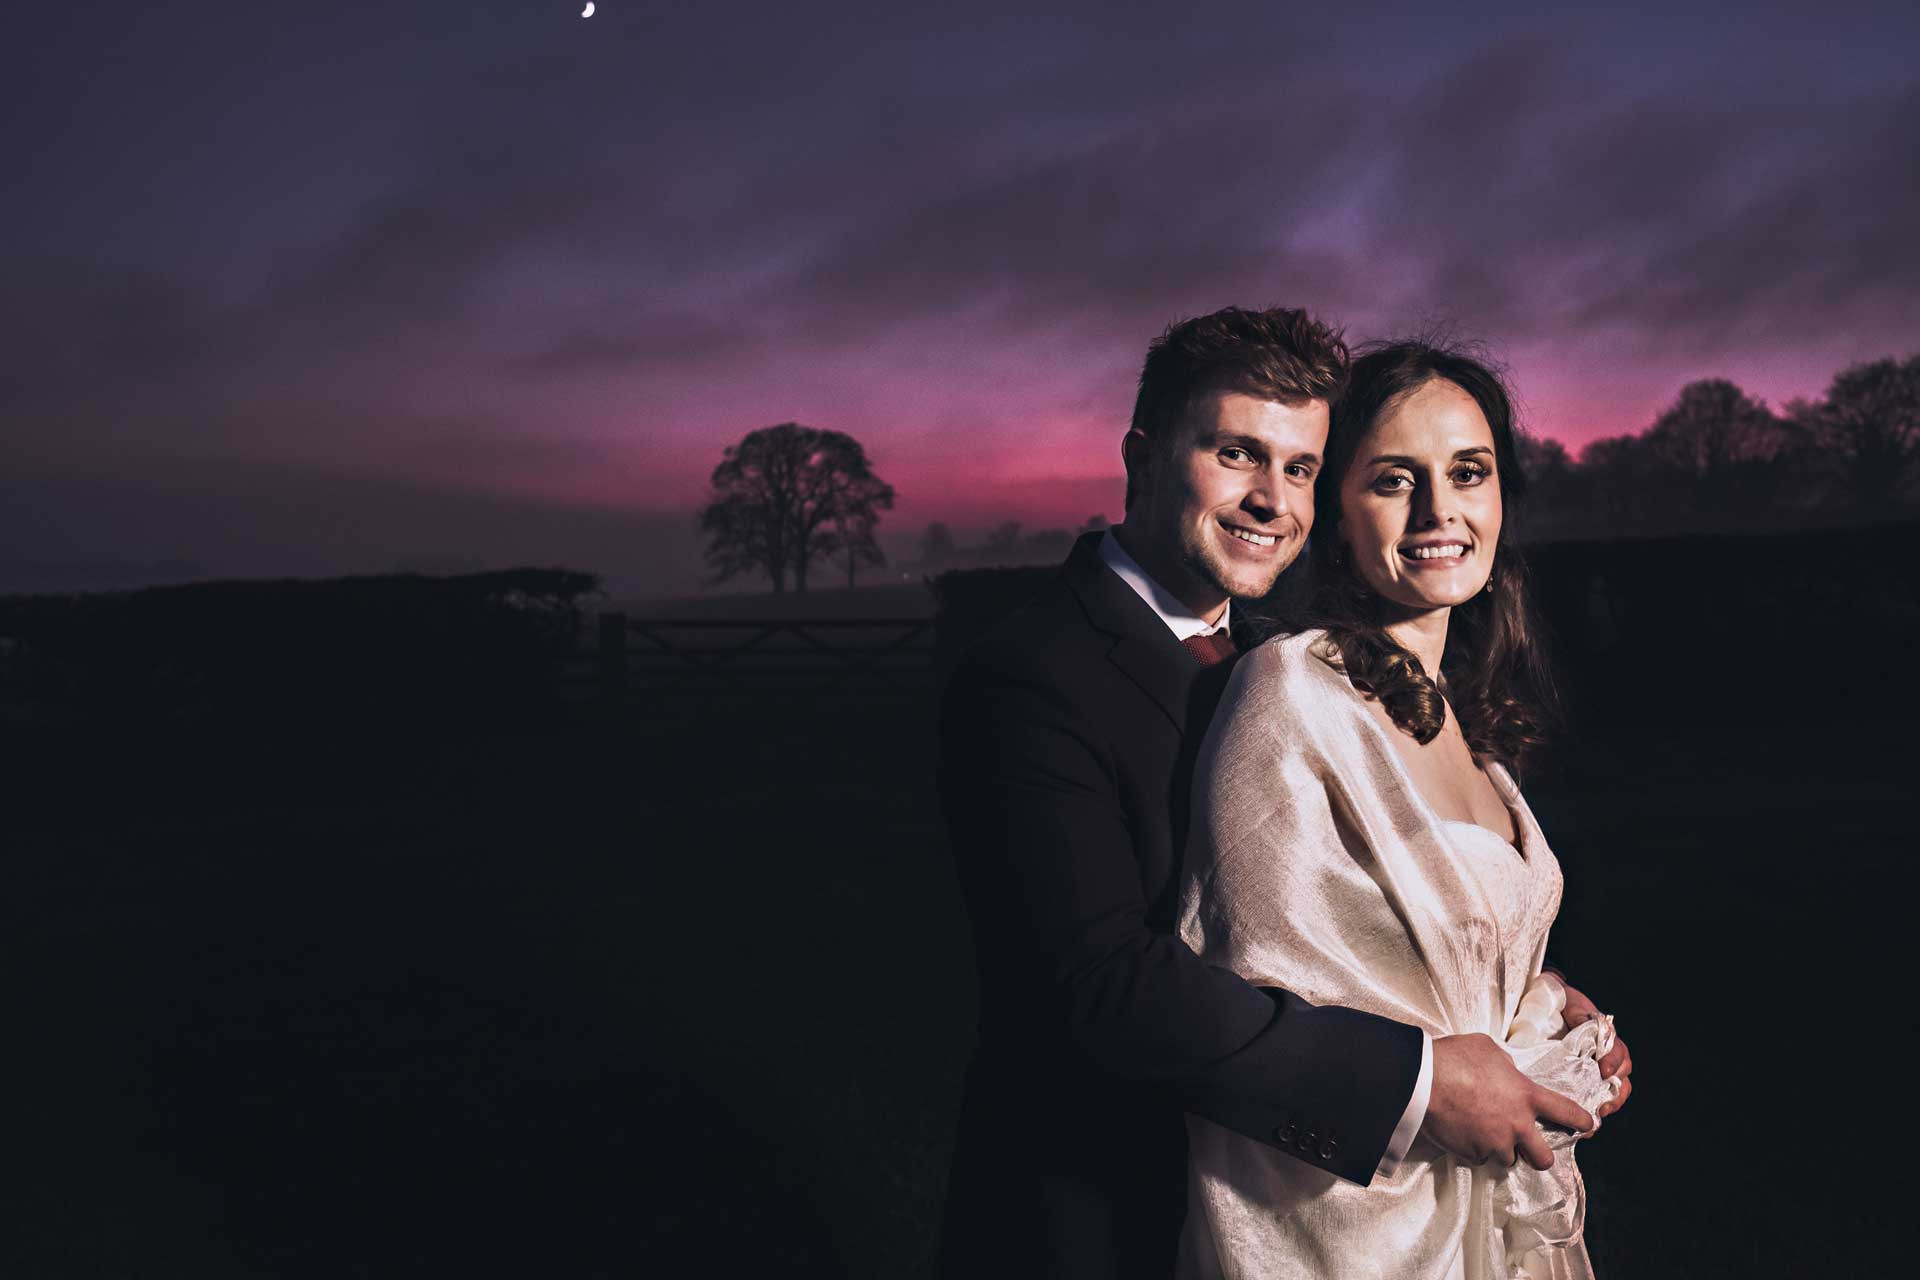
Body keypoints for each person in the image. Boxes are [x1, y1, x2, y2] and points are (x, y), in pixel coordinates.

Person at [936, 310, 1628, 1279]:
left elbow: (1344, 921)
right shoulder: (1033, 670)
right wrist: (1420, 1082)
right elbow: (1105, 984)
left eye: (1301, 467)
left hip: (1309, 1200)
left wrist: (1524, 1004)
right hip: (1103, 1216)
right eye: (1236, 453)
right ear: (1143, 454)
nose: (1271, 498)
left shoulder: (1288, 657)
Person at [1176, 340, 1634, 1279]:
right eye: (1395, 480)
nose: (1440, 511)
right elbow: (1245, 998)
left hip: (1496, 1225)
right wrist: (1440, 1088)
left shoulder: (1462, 722)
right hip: (1358, 1236)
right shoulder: (1290, 693)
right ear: (1336, 513)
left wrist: (1551, 1019)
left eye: (1470, 472)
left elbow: (1424, 968)